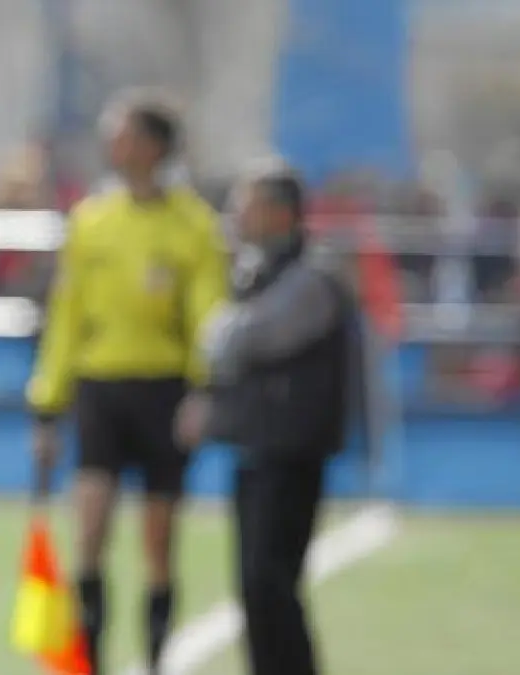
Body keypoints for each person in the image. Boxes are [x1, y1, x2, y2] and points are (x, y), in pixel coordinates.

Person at [26, 92, 230, 675]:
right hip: (101, 389)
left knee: (158, 545)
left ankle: (157, 659)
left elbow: (209, 318)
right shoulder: (92, 221)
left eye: (123, 135)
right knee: (89, 533)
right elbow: (67, 318)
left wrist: (203, 391)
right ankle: (92, 662)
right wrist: (47, 408)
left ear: (153, 146)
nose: (111, 145)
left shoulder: (194, 226)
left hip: (165, 391)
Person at [175, 163, 356, 675]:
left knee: (270, 580)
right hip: (258, 445)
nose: (236, 215)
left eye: (246, 204)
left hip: (291, 452)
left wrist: (221, 331)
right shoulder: (259, 271)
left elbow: (241, 338)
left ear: (279, 213)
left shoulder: (312, 278)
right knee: (255, 586)